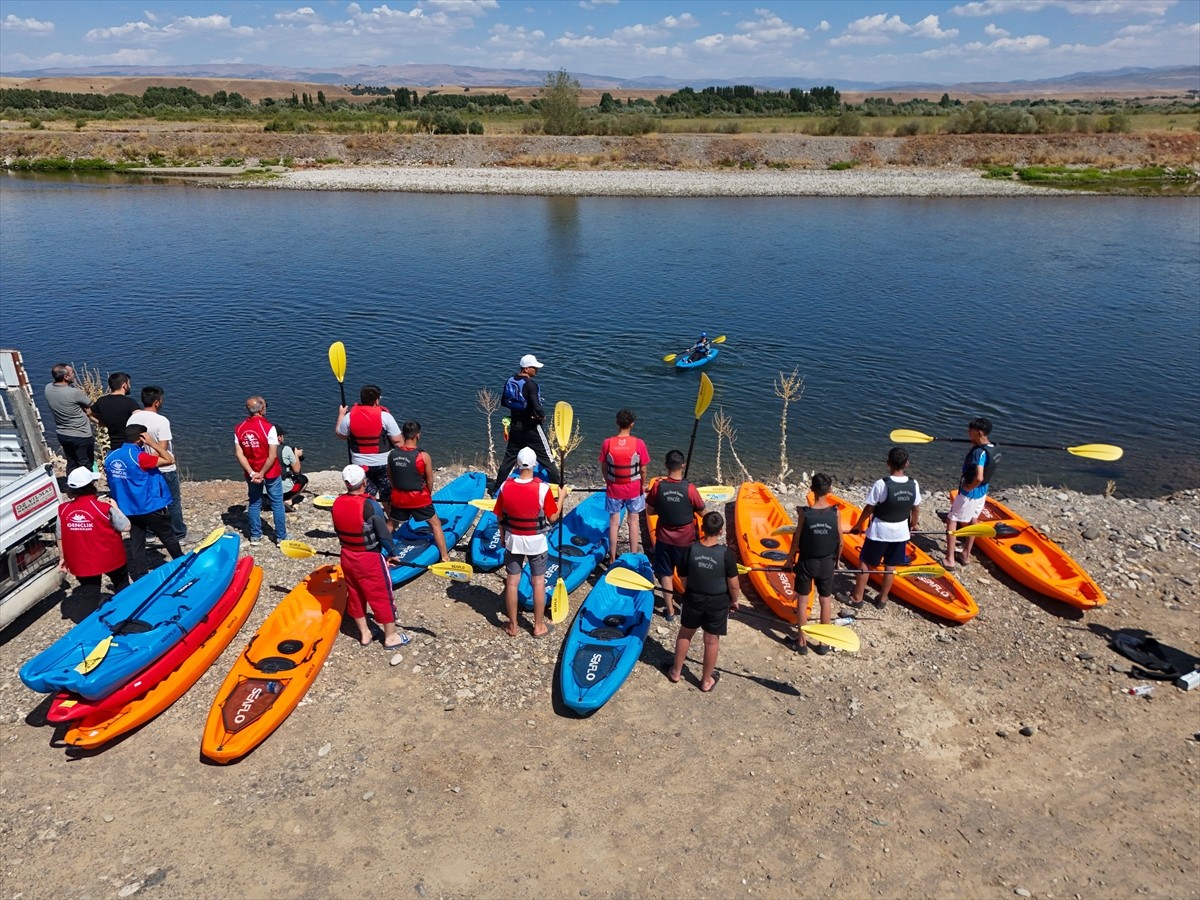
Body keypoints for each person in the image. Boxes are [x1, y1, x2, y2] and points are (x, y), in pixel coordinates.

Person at [332, 464, 409, 650]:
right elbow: (384, 534)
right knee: (381, 594)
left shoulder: (337, 503)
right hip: (369, 558)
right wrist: (391, 554)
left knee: (356, 594)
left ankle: (365, 633)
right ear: (364, 483)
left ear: (346, 484)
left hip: (347, 556)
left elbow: (337, 530)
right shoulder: (370, 505)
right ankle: (391, 637)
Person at [665, 511, 742, 693]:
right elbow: (733, 584)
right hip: (717, 603)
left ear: (701, 528)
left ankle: (676, 672)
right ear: (721, 531)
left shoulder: (690, 549)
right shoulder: (727, 554)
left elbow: (682, 576)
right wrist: (735, 601)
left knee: (685, 634)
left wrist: (688, 591)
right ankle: (706, 681)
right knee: (711, 641)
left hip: (693, 598)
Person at [493, 446, 561, 637]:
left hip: (513, 540)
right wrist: (561, 497)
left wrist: (502, 536)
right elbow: (553, 517)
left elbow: (499, 516)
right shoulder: (543, 488)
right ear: (535, 465)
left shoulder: (505, 486)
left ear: (516, 464)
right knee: (538, 582)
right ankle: (538, 626)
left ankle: (513, 625)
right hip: (536, 542)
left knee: (512, 582)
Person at [103, 423, 183, 580]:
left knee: (137, 541)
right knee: (167, 536)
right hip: (149, 506)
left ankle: (140, 575)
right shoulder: (140, 457)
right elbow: (169, 459)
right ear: (141, 439)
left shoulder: (111, 457)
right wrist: (153, 443)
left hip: (128, 508)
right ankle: (182, 563)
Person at [846, 447, 920, 611]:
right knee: (890, 566)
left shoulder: (882, 484)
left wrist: (859, 524)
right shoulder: (913, 483)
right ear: (906, 464)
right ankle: (882, 598)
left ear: (888, 463)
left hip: (880, 531)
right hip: (901, 532)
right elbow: (915, 508)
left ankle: (857, 598)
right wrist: (913, 525)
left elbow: (869, 508)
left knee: (865, 563)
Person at [786, 472, 843, 654]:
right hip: (827, 563)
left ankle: (801, 642)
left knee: (803, 601)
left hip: (807, 562)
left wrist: (789, 559)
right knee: (825, 601)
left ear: (811, 490)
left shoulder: (805, 513)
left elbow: (796, 540)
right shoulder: (836, 513)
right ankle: (823, 643)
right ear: (830, 490)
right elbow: (840, 541)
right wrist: (838, 561)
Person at [57, 467, 130, 609]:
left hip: (82, 561)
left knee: (89, 593)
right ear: (91, 486)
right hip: (110, 556)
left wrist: (63, 557)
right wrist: (115, 507)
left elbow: (60, 536)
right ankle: (127, 613)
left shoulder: (63, 510)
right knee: (121, 584)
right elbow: (126, 526)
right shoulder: (103, 507)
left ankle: (89, 623)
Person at [645, 449, 704, 623]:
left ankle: (670, 611)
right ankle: (687, 606)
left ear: (666, 466)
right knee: (685, 574)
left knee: (666, 574)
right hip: (685, 541)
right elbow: (702, 511)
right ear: (683, 465)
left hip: (663, 538)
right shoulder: (690, 489)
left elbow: (650, 510)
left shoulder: (658, 486)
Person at [128, 385, 187, 544]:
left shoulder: (132, 419)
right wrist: (151, 460)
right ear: (157, 402)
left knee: (149, 500)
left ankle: (150, 533)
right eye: (161, 399)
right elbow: (163, 448)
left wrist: (142, 461)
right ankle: (179, 533)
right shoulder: (161, 421)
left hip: (142, 467)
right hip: (163, 467)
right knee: (173, 501)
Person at [387, 420, 450, 562]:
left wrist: (397, 490)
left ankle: (378, 551)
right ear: (418, 435)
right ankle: (445, 557)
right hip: (419, 499)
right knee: (435, 524)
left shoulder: (392, 454)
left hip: (398, 498)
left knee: (391, 524)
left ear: (403, 435)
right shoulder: (423, 456)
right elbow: (429, 480)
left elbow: (390, 477)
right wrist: (427, 494)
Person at [335, 384, 403, 514]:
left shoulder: (349, 417)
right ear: (377, 400)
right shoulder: (385, 417)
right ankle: (391, 523)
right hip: (383, 464)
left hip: (360, 465)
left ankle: (367, 519)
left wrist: (341, 415)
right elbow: (398, 441)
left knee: (366, 495)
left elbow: (341, 435)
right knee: (386, 493)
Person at [494, 354, 560, 488]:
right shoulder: (531, 385)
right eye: (534, 368)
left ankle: (496, 488)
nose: (537, 370)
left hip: (515, 426)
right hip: (531, 428)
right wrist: (541, 416)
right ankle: (558, 488)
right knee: (547, 459)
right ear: (526, 369)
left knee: (509, 459)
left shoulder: (510, 380)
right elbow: (537, 407)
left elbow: (503, 402)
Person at [233, 395, 288, 546]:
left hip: (251, 471)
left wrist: (252, 473)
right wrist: (261, 473)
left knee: (254, 502)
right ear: (262, 409)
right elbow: (271, 455)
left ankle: (256, 536)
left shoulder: (239, 428)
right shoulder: (269, 428)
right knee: (277, 502)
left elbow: (239, 454)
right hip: (270, 472)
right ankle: (281, 537)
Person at [599, 408, 651, 566]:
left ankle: (613, 557)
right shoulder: (639, 443)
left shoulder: (607, 443)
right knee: (633, 522)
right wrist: (642, 485)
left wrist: (608, 481)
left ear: (617, 423)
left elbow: (604, 466)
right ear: (632, 424)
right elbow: (642, 469)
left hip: (614, 487)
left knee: (614, 523)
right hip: (633, 488)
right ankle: (633, 556)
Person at [946, 417, 998, 571]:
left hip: (971, 493)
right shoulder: (992, 447)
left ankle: (950, 559)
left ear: (979, 433)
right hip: (982, 492)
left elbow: (979, 476)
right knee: (973, 519)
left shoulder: (979, 453)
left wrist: (968, 488)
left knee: (951, 520)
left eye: (971, 432)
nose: (968, 433)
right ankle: (966, 554)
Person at [44, 363, 97, 472]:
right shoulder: (74, 393)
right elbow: (92, 405)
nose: (74, 375)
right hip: (81, 435)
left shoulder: (48, 388)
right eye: (72, 373)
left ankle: (73, 486)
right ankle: (86, 487)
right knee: (86, 464)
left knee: (72, 462)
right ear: (66, 377)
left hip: (63, 434)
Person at [90, 372, 140, 450]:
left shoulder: (102, 401)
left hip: (114, 446)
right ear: (124, 385)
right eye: (129, 384)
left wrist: (103, 423)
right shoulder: (130, 403)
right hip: (129, 446)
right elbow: (140, 419)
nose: (130, 386)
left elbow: (89, 413)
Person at [277, 427, 308, 510]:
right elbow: (297, 470)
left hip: (265, 491)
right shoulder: (285, 449)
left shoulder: (263, 448)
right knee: (303, 480)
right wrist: (296, 455)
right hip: (283, 492)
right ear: (279, 437)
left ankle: (267, 501)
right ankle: (288, 500)